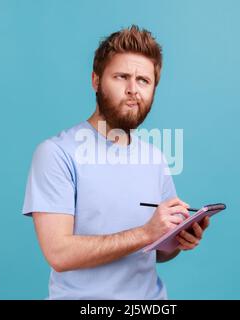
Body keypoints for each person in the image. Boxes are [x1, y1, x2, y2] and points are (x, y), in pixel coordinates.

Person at [22, 25, 210, 299]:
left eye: (143, 80)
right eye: (122, 77)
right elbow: (59, 254)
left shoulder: (155, 158)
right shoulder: (56, 153)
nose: (133, 90)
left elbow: (157, 252)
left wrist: (178, 241)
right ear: (95, 81)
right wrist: (146, 233)